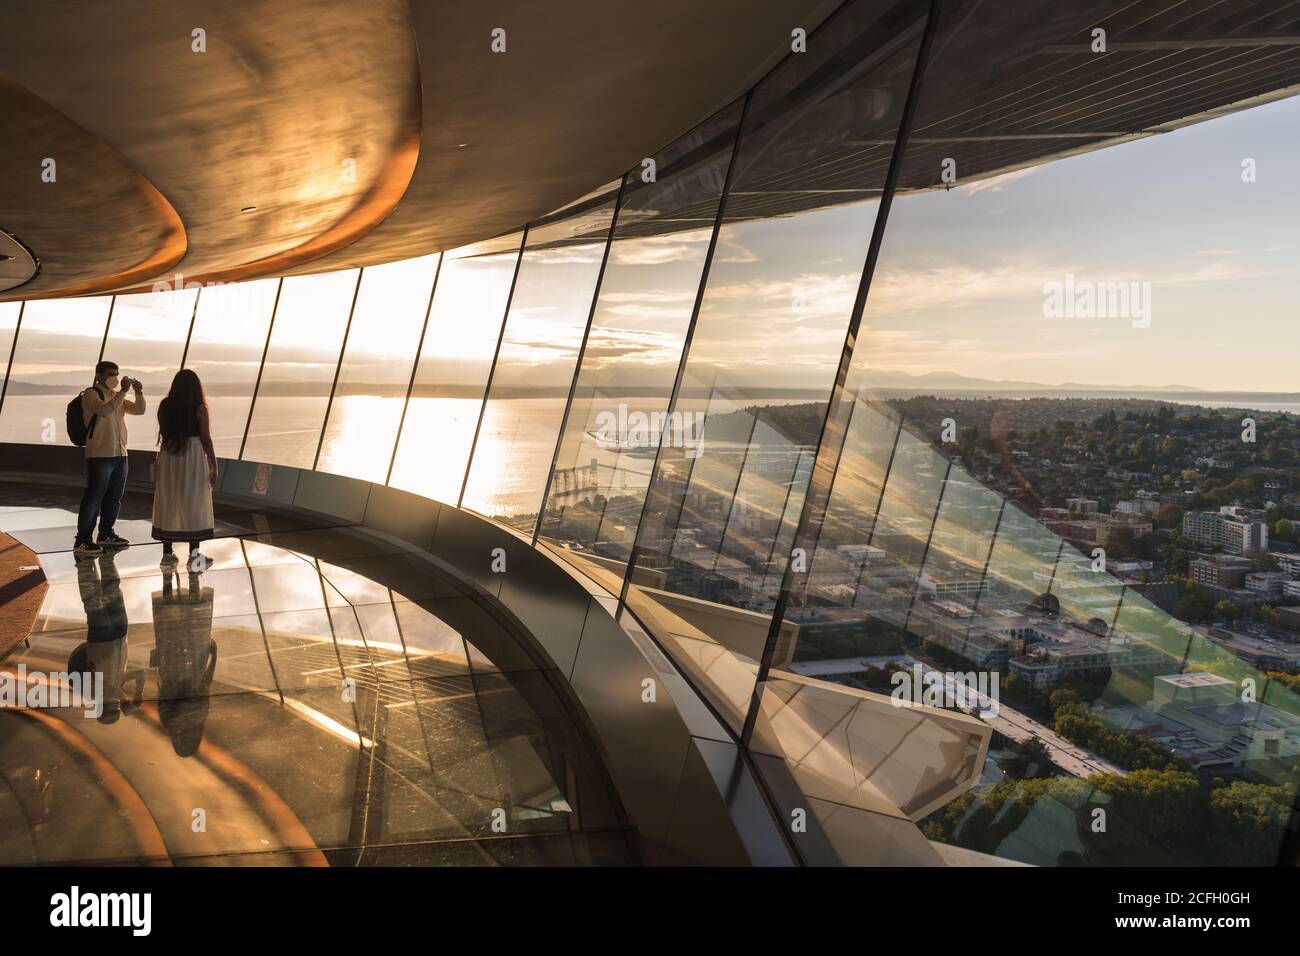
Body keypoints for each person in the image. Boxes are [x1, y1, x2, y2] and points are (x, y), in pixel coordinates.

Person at [75, 360, 145, 558]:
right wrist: (123, 392)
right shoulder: (91, 394)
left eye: (116, 373)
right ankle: (82, 540)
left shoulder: (116, 395)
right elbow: (105, 411)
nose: (114, 377)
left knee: (114, 498)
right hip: (100, 454)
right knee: (94, 497)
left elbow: (139, 410)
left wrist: (138, 392)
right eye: (110, 374)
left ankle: (106, 534)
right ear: (99, 375)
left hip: (120, 454)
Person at [152, 369, 218, 570]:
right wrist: (214, 463)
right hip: (193, 457)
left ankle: (167, 554)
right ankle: (194, 556)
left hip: (169, 455)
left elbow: (164, 433)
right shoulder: (199, 409)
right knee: (194, 500)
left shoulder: (165, 406)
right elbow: (205, 439)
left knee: (169, 499)